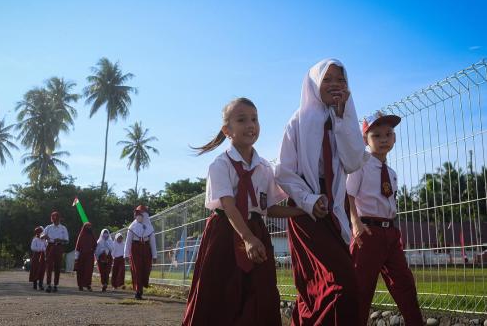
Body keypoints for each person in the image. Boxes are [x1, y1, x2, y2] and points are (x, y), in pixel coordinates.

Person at [183, 97, 305, 326]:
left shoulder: (264, 168)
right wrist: (247, 238)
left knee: (261, 291)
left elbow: (268, 207)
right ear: (227, 130)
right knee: (220, 291)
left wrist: (301, 211)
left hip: (256, 231)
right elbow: (229, 206)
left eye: (254, 119)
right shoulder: (220, 165)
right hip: (225, 232)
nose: (251, 125)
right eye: (242, 120)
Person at [275, 59, 368, 325]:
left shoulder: (346, 119)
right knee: (329, 285)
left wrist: (341, 120)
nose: (335, 85)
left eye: (341, 80)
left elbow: (352, 162)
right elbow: (284, 171)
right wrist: (308, 199)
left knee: (341, 284)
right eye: (327, 79)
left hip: (334, 208)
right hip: (306, 211)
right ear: (314, 83)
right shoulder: (297, 122)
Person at [347, 111, 423, 325]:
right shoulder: (359, 165)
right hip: (368, 232)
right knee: (362, 288)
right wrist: (355, 222)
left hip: (390, 233)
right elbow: (349, 194)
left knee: (404, 284)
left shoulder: (391, 172)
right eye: (376, 135)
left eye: (388, 134)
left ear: (394, 138)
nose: (383, 139)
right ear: (365, 140)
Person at [125, 205, 157, 300]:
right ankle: (138, 291)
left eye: (140, 214)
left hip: (146, 250)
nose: (138, 216)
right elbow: (128, 242)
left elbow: (152, 243)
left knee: (146, 270)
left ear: (145, 215)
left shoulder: (150, 228)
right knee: (137, 270)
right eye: (137, 214)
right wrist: (126, 255)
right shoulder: (132, 227)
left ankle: (141, 287)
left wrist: (154, 255)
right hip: (135, 250)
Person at [41, 211, 69, 293]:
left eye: (56, 219)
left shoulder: (63, 228)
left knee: (57, 266)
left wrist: (60, 239)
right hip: (50, 246)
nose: (55, 220)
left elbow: (67, 240)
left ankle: (56, 285)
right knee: (49, 266)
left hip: (59, 246)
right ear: (52, 219)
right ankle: (49, 284)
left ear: (59, 219)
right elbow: (41, 236)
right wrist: (44, 236)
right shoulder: (48, 227)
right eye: (53, 219)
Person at [74, 222, 96, 291]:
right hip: (81, 256)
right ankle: (80, 285)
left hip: (90, 256)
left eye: (90, 226)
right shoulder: (81, 235)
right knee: (80, 270)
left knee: (88, 271)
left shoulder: (92, 235)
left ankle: (88, 285)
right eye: (87, 226)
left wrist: (93, 250)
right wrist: (76, 258)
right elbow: (77, 247)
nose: (89, 228)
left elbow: (95, 244)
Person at [29, 226, 46, 290]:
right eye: (39, 233)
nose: (41, 234)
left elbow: (46, 247)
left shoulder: (44, 240)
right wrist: (40, 249)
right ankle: (35, 283)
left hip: (43, 256)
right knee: (35, 269)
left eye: (41, 232)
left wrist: (44, 249)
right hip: (36, 256)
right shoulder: (35, 239)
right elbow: (33, 248)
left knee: (42, 269)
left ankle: (41, 284)